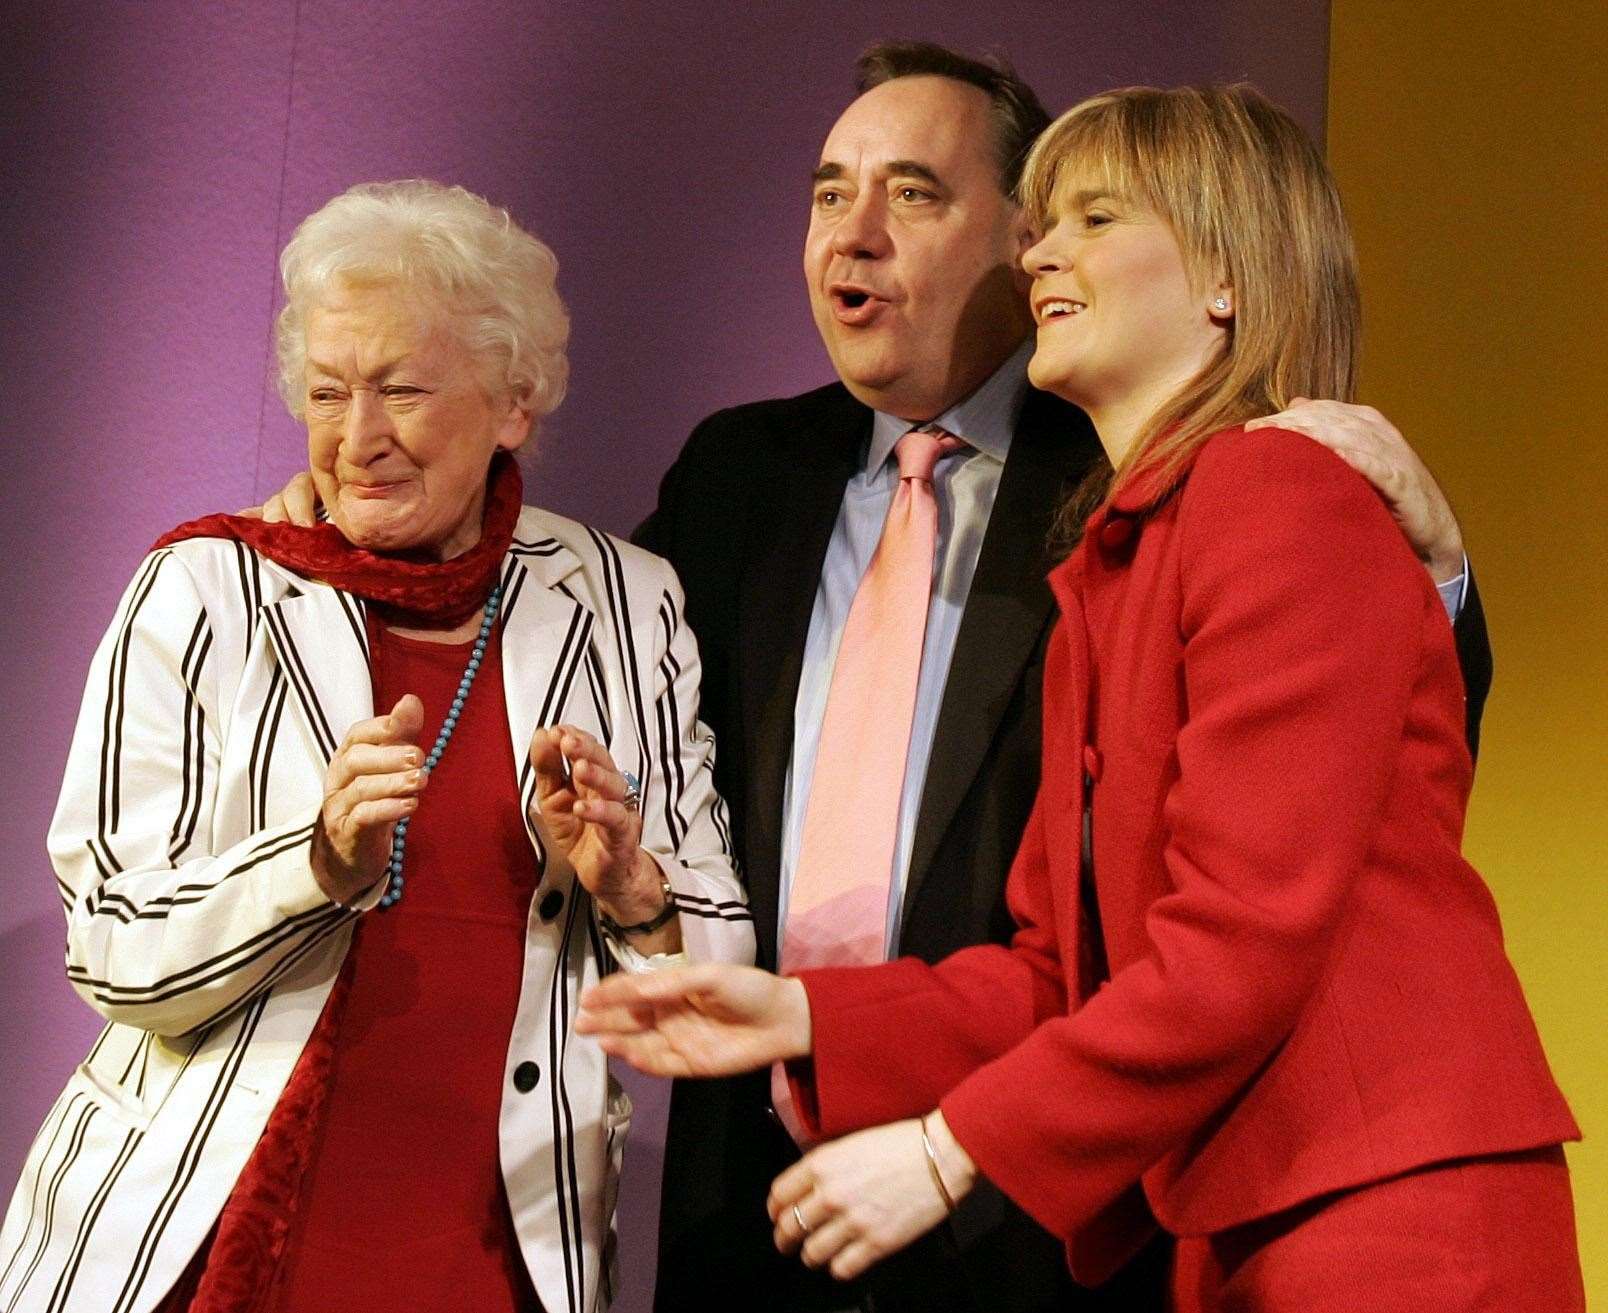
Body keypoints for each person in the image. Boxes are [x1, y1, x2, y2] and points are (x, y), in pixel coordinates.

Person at [259, 46, 1490, 1313]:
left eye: (913, 195)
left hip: (1103, 1207)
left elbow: (1279, 882)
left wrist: (1437, 572)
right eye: (828, 191)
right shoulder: (752, 479)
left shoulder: (1200, 484)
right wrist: (372, 513)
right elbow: (576, 641)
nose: (855, 236)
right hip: (787, 1187)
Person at [576, 83, 1583, 1313]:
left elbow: (1238, 944)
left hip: (1384, 1214)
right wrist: (797, 1009)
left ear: (1227, 277)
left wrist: (952, 1147)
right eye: (1044, 224)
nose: (1042, 252)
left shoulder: (1276, 490)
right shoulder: (1123, 547)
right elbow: (1064, 972)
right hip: (1252, 1223)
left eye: (1095, 218)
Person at [0, 180, 752, 1313]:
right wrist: (315, 865)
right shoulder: (206, 588)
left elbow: (721, 980)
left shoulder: (626, 601)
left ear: (514, 401)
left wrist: (640, 893)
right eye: (326, 390)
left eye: (401, 389)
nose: (359, 438)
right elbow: (112, 947)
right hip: (199, 1232)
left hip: (494, 1249)